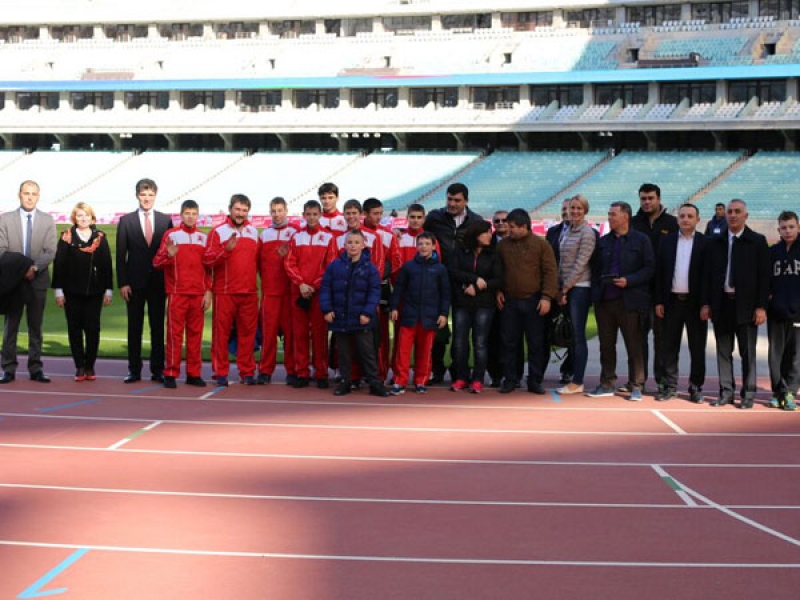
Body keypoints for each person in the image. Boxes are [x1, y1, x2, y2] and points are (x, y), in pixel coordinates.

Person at [701, 199, 769, 409]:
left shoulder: (757, 241)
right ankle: (726, 392)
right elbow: (707, 276)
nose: (733, 215)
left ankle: (748, 393)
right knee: (723, 351)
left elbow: (764, 277)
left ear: (745, 215)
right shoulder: (715, 242)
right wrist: (706, 303)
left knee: (747, 352)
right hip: (721, 305)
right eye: (730, 212)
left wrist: (761, 306)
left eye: (737, 211)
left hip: (747, 306)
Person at [587, 201, 655, 401]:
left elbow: (650, 268)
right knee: (606, 345)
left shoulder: (641, 240)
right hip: (605, 302)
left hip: (631, 301)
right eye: (609, 214)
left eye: (613, 214)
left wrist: (629, 281)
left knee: (634, 345)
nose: (609, 218)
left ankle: (636, 385)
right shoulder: (603, 242)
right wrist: (596, 292)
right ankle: (607, 382)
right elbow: (595, 268)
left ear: (626, 216)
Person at [423, 182, 483, 384]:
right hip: (436, 282)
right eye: (449, 199)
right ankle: (436, 371)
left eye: (457, 200)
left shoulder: (476, 221)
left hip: (463, 284)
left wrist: (473, 280)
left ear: (466, 201)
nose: (452, 203)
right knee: (436, 330)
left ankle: (460, 373)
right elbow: (422, 241)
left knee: (461, 332)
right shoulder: (434, 218)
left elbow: (480, 255)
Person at [319, 229, 389, 398]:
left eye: (357, 242)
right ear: (344, 245)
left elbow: (374, 292)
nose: (353, 246)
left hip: (361, 318)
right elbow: (326, 288)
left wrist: (367, 312)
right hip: (340, 317)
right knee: (343, 352)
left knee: (367, 351)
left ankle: (374, 382)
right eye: (350, 242)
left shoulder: (370, 267)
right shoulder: (335, 266)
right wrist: (327, 310)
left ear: (363, 245)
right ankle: (345, 382)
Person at [496, 208, 558, 394]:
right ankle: (510, 378)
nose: (509, 230)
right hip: (509, 301)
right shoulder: (503, 246)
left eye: (513, 227)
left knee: (536, 343)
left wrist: (547, 297)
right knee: (509, 342)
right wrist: (498, 290)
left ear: (524, 227)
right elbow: (497, 270)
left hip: (534, 300)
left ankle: (535, 379)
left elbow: (550, 272)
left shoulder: (541, 245)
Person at [0, 180, 56, 384]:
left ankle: (35, 367)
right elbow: (1, 249)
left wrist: (33, 268)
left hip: (37, 280)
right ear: (19, 195)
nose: (30, 197)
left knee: (35, 326)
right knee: (11, 326)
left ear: (38, 196)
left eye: (34, 193)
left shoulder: (48, 220)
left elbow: (51, 251)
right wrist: (22, 268)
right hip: (13, 282)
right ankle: (8, 368)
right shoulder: (5, 219)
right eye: (26, 193)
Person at [116, 178, 172, 383]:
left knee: (158, 328)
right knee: (134, 327)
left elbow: (169, 254)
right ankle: (134, 370)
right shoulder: (126, 221)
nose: (147, 198)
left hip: (158, 283)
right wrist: (123, 282)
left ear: (155, 196)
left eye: (150, 195)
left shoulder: (166, 221)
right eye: (143, 194)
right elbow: (121, 256)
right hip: (134, 283)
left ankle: (157, 370)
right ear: (137, 195)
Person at [153, 199, 212, 389]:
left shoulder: (203, 238)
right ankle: (170, 372)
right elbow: (157, 263)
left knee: (195, 336)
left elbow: (209, 269)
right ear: (181, 215)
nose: (190, 217)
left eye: (194, 214)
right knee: (173, 335)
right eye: (187, 213)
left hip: (198, 294)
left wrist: (208, 291)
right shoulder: (171, 235)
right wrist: (168, 255)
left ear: (198, 216)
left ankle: (193, 373)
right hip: (177, 293)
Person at [653, 203, 708, 403]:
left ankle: (696, 386)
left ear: (697, 219)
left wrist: (706, 304)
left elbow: (708, 278)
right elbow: (659, 274)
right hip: (671, 302)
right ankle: (670, 386)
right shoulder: (666, 242)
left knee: (697, 347)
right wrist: (659, 300)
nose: (685, 219)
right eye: (682, 216)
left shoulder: (705, 242)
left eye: (690, 216)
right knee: (669, 347)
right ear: (677, 219)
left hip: (695, 304)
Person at [52, 202, 113, 381]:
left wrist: (108, 289)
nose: (83, 218)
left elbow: (106, 265)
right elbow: (59, 265)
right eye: (79, 215)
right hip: (72, 292)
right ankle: (79, 366)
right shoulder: (66, 237)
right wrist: (58, 291)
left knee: (93, 329)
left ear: (92, 218)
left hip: (94, 292)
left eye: (86, 215)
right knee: (75, 329)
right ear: (74, 218)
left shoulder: (100, 237)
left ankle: (90, 365)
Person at [203, 194, 260, 387]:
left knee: (248, 334)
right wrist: (225, 250)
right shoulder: (217, 232)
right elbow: (208, 260)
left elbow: (258, 262)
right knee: (221, 334)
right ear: (230, 209)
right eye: (238, 209)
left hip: (249, 292)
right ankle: (220, 372)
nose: (241, 213)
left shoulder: (254, 232)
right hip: (225, 292)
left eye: (244, 210)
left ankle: (247, 371)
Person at [389, 232, 451, 395]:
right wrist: (394, 307)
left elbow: (445, 294)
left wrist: (443, 314)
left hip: (429, 317)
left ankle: (420, 380)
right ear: (417, 246)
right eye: (420, 244)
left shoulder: (440, 269)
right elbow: (399, 289)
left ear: (433, 246)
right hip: (409, 315)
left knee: (425, 351)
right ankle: (400, 381)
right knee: (402, 352)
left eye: (426, 244)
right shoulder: (409, 267)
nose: (423, 247)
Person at [285, 200, 338, 388]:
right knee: (299, 335)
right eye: (309, 214)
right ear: (303, 215)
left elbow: (330, 265)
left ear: (320, 215)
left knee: (319, 335)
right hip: (298, 293)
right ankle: (302, 372)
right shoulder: (296, 237)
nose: (312, 217)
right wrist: (301, 284)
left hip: (318, 294)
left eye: (315, 214)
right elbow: (289, 263)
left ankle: (321, 373)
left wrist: (313, 286)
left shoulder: (328, 237)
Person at [631, 183, 677, 394]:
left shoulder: (672, 223)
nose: (647, 202)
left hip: (664, 291)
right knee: (638, 339)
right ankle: (638, 380)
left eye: (650, 198)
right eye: (643, 198)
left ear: (659, 198)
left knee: (662, 339)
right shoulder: (633, 223)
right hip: (639, 290)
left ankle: (661, 380)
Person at [448, 219, 502, 393]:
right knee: (459, 342)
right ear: (476, 234)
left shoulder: (493, 254)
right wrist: (471, 281)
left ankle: (478, 378)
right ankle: (462, 377)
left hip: (484, 304)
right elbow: (453, 272)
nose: (489, 235)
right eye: (485, 232)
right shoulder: (460, 251)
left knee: (480, 342)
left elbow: (498, 279)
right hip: (462, 303)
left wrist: (479, 285)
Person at [555, 195, 597, 395]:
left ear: (585, 210)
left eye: (579, 208)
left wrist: (565, 288)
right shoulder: (568, 230)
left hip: (580, 288)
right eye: (572, 208)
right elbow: (562, 263)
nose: (575, 211)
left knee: (578, 336)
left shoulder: (587, 233)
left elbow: (581, 263)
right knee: (573, 335)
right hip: (568, 288)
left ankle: (578, 380)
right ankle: (574, 377)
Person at [257, 197, 298, 385]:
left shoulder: (295, 234)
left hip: (289, 292)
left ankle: (292, 370)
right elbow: (258, 264)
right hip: (270, 292)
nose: (277, 214)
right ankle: (265, 370)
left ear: (286, 211)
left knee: (290, 335)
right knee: (269, 334)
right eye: (273, 211)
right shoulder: (264, 235)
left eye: (280, 210)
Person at [362, 197, 402, 381]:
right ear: (365, 214)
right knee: (360, 333)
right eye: (375, 213)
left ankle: (380, 373)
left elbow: (395, 263)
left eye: (380, 213)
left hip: (382, 289)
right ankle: (360, 374)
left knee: (382, 334)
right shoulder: (356, 234)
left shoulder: (388, 235)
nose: (378, 217)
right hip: (360, 291)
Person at [766, 211, 800, 410]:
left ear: (798, 227)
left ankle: (789, 393)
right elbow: (766, 280)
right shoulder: (774, 252)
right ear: (778, 229)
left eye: (791, 227)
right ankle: (777, 391)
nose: (787, 231)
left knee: (795, 356)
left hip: (798, 313)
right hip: (776, 312)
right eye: (784, 228)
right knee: (775, 355)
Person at [546, 199, 574, 385]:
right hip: (553, 289)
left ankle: (569, 371)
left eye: (570, 208)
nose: (566, 212)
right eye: (563, 209)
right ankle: (538, 370)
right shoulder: (552, 232)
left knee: (573, 333)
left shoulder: (589, 233)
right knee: (545, 331)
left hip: (575, 290)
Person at [487, 209, 513, 386]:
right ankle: (496, 374)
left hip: (514, 295)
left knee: (511, 338)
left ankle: (512, 374)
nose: (501, 223)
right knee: (492, 337)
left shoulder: (518, 241)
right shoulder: (487, 244)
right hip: (491, 297)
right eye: (497, 221)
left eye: (504, 220)